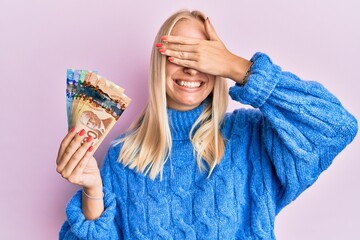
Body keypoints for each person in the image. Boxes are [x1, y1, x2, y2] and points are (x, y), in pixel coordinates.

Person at [56, 10, 357, 239]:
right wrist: (93, 190)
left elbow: (336, 126)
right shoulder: (124, 156)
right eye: (179, 53)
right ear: (159, 63)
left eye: (202, 55)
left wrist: (236, 67)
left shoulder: (251, 138)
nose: (191, 66)